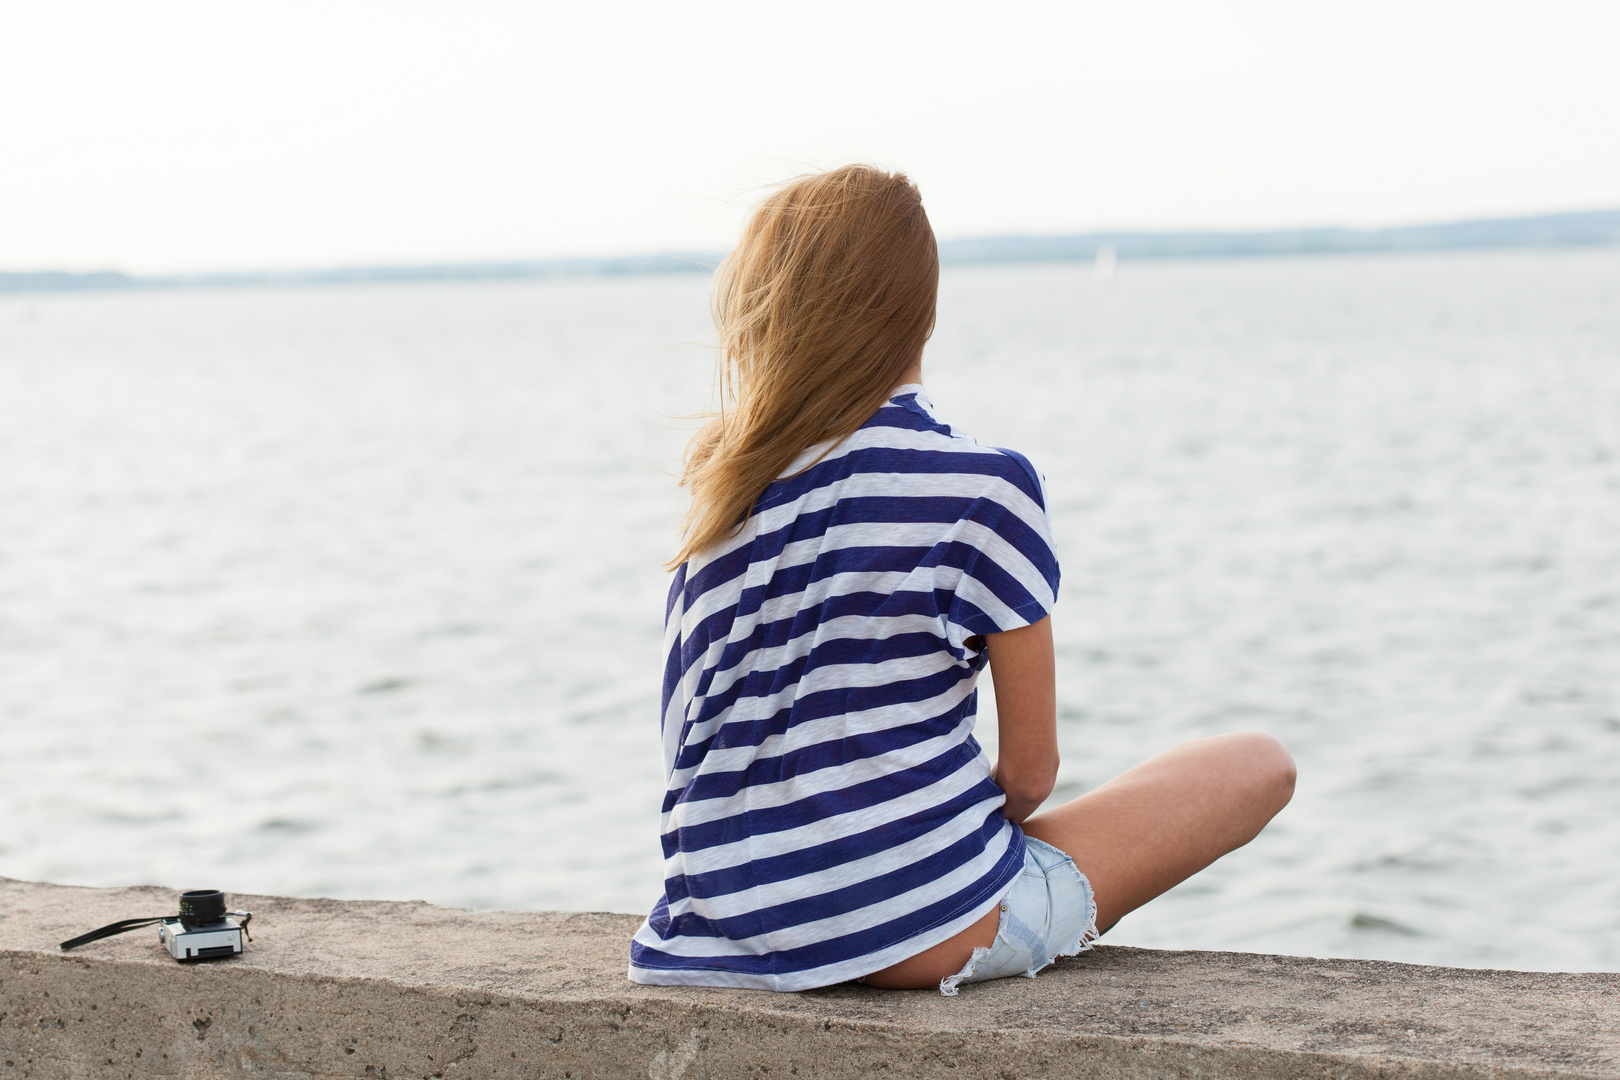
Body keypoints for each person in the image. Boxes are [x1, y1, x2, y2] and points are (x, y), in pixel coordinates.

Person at [627, 165, 1295, 994]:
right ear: (924, 315)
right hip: (922, 934)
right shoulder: (983, 488)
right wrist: (913, 853)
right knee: (1256, 763)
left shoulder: (721, 500)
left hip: (713, 940)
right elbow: (1029, 775)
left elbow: (690, 750)